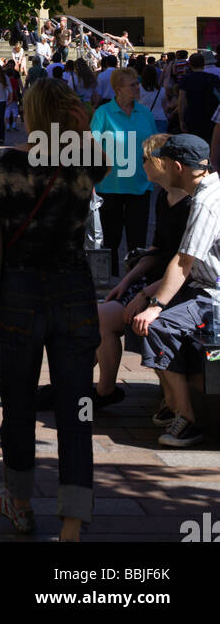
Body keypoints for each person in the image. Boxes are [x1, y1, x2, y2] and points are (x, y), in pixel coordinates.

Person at [0, 78, 108, 542]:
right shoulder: (83, 160)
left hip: (18, 293)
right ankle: (71, 524)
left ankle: (21, 503)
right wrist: (80, 123)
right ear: (66, 114)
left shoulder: (3, 163)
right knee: (76, 410)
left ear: (26, 112)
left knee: (19, 404)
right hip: (74, 292)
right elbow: (101, 159)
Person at [127, 135, 218, 447]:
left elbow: (183, 263)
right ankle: (172, 403)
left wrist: (154, 305)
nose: (160, 168)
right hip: (201, 288)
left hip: (212, 294)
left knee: (158, 325)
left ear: (177, 167)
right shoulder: (209, 189)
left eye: (163, 164)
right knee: (146, 320)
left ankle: (188, 418)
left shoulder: (205, 203)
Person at [93, 134, 193, 406]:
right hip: (153, 282)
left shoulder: (191, 205)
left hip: (176, 287)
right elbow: (157, 250)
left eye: (144, 159)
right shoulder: (163, 198)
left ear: (162, 163)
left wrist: (146, 295)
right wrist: (126, 281)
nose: (141, 165)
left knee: (108, 318)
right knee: (100, 315)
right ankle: (104, 390)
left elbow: (186, 269)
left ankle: (171, 401)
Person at [90, 67, 157, 273]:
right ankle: (110, 285)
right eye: (133, 84)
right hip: (109, 186)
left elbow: (154, 147)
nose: (138, 87)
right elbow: (91, 147)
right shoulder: (103, 113)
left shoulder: (145, 113)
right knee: (110, 238)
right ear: (118, 88)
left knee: (137, 241)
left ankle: (133, 282)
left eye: (138, 83)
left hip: (140, 185)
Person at [176, 53, 220, 144]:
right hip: (210, 117)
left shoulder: (186, 79)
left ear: (190, 64)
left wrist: (181, 119)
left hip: (192, 116)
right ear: (204, 63)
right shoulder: (213, 78)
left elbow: (182, 101)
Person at [137, 63, 167, 131]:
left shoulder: (137, 88)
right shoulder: (162, 90)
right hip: (159, 118)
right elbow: (165, 106)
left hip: (142, 118)